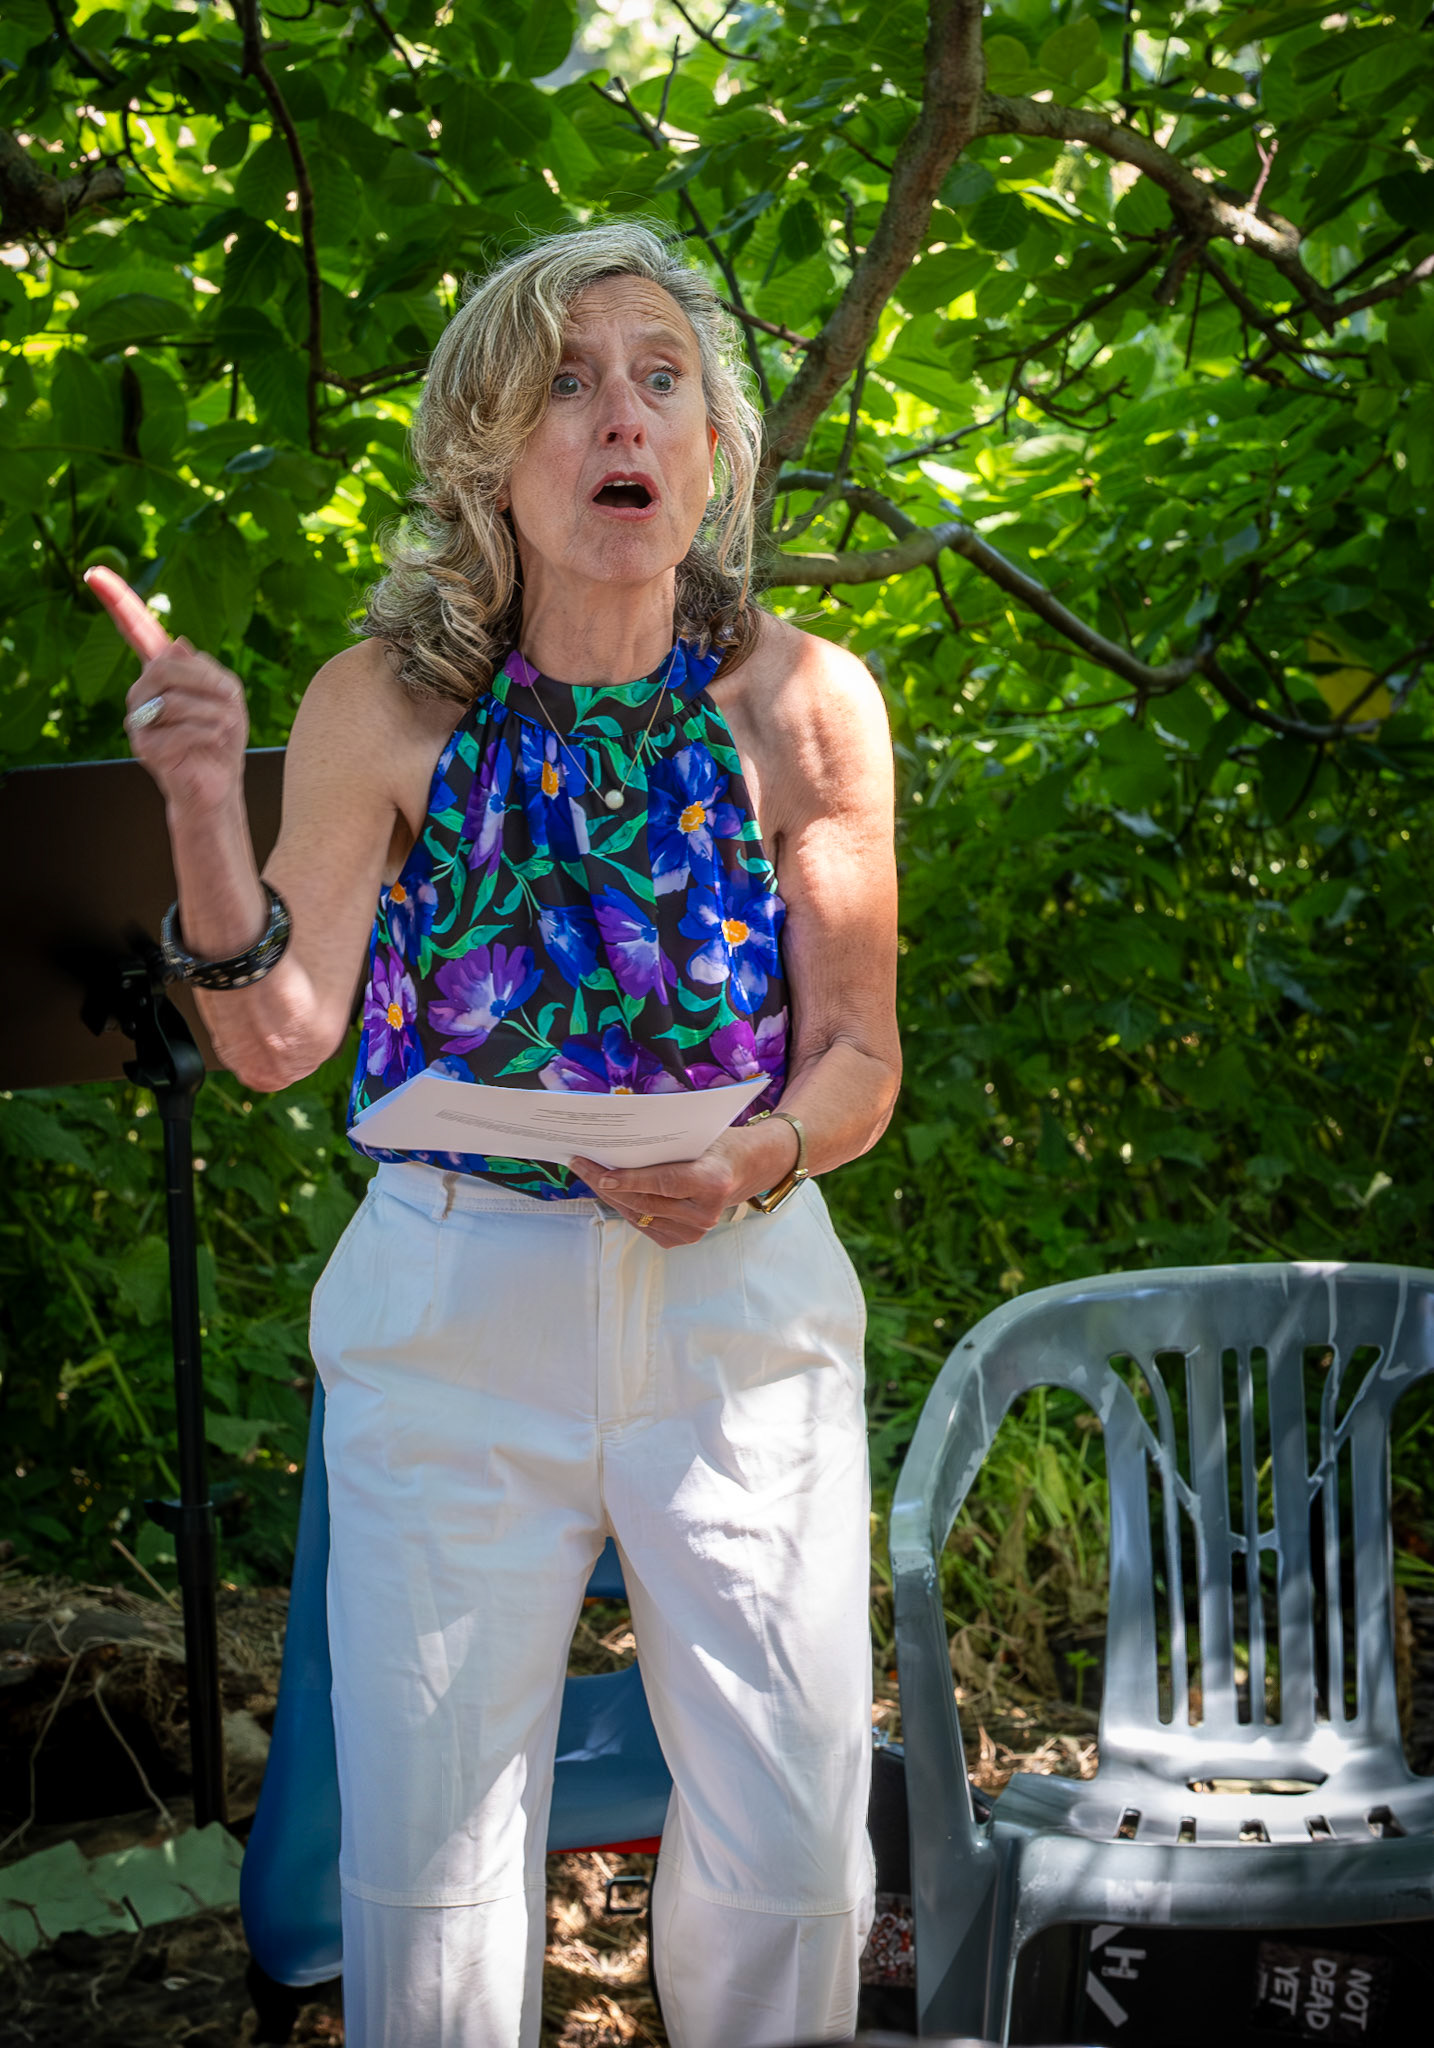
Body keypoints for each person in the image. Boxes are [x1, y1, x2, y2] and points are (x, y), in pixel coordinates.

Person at [88, 219, 900, 2048]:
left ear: (711, 447)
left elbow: (855, 1061)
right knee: (435, 1864)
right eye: (565, 381)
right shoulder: (387, 702)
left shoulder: (802, 703)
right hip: (453, 1318)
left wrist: (753, 1160)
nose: (623, 411)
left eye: (660, 378)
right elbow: (278, 1040)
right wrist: (207, 806)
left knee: (787, 1845)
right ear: (486, 459)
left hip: (740, 1312)